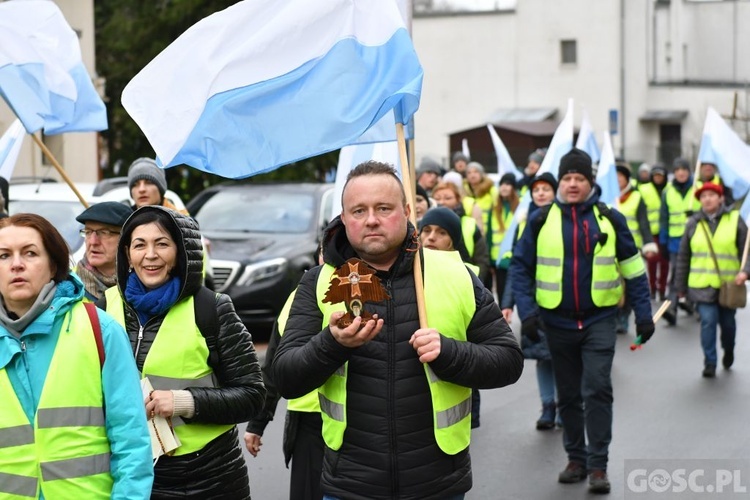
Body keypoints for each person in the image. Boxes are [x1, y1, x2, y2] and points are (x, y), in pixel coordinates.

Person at [272, 160, 524, 500]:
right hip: (350, 485)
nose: (371, 219)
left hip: (438, 484)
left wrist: (449, 352)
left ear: (407, 211)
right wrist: (332, 344)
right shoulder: (318, 283)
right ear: (344, 219)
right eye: (358, 210)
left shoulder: (455, 274)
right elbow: (286, 378)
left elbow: (508, 361)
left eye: (384, 208)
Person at [511, 148, 654, 494]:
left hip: (599, 320)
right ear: (560, 182)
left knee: (597, 388)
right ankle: (575, 459)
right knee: (569, 395)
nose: (572, 184)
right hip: (555, 322)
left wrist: (644, 315)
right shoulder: (540, 220)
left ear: (590, 182)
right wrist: (527, 313)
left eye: (579, 178)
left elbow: (634, 269)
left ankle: (598, 465)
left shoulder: (610, 219)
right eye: (567, 178)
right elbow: (519, 267)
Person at [99, 206, 266, 499]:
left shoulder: (211, 308)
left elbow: (252, 395)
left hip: (206, 479)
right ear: (127, 255)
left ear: (180, 252)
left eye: (162, 243)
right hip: (129, 475)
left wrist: (184, 402)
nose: (150, 254)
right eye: (140, 244)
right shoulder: (103, 308)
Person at [0, 213, 153, 498]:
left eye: (30, 253)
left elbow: (131, 444)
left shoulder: (101, 330)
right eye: (3, 255)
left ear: (53, 265)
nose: (16, 264)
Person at [245, 247, 326, 500]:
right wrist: (257, 423)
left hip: (360, 427)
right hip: (308, 424)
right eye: (325, 250)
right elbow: (274, 365)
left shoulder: (365, 290)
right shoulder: (300, 295)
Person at [501, 172, 560, 430]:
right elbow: (518, 267)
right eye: (537, 189)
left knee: (564, 357)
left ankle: (567, 404)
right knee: (543, 356)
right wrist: (508, 303)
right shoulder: (525, 224)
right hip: (533, 303)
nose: (541, 193)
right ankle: (548, 406)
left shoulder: (564, 220)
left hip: (562, 301)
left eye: (547, 188)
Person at [673, 182, 750, 378]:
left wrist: (746, 272)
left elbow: (746, 251)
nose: (707, 199)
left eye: (711, 195)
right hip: (701, 284)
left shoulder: (735, 220)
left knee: (728, 324)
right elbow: (683, 257)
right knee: (707, 321)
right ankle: (710, 362)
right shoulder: (692, 223)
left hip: (728, 286)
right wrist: (679, 287)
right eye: (703, 196)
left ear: (721, 198)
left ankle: (729, 349)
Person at [418, 207, 485, 429]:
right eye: (426, 230)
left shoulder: (468, 276)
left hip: (455, 373)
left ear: (452, 241)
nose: (431, 237)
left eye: (441, 232)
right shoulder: (411, 273)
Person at [615, 162, 657, 334]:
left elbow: (643, 222)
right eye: (614, 177)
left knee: (631, 285)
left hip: (632, 249)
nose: (617, 180)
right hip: (609, 249)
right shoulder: (606, 197)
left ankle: (624, 315)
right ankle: (614, 314)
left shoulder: (637, 197)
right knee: (614, 284)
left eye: (620, 177)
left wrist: (648, 244)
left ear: (626, 179)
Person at [660, 157, 700, 325]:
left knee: (697, 274)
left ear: (689, 171)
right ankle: (671, 308)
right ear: (674, 173)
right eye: (677, 170)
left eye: (684, 169)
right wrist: (663, 241)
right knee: (677, 274)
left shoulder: (697, 188)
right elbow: (664, 218)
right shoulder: (667, 191)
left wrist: (696, 216)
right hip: (676, 241)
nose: (681, 172)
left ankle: (696, 305)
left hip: (697, 239)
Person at [431, 181, 490, 282]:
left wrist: (476, 281)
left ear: (458, 200)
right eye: (437, 198)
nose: (442, 202)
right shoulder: (426, 224)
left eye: (447, 198)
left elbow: (482, 259)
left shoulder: (470, 223)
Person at [75, 202, 133, 301]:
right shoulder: (69, 286)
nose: (93, 242)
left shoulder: (145, 285)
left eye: (104, 233)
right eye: (88, 232)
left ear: (127, 239)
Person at [465, 161, 498, 290]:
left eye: (475, 172)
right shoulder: (465, 193)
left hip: (488, 237)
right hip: (472, 236)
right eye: (469, 172)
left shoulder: (491, 191)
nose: (472, 175)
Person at [639, 163, 669, 300]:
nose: (658, 178)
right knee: (652, 261)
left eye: (660, 175)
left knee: (664, 262)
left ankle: (662, 289)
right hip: (650, 232)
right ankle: (652, 288)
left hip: (665, 231)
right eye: (655, 175)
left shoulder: (669, 189)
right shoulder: (644, 189)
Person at [491, 173, 520, 302]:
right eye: (502, 184)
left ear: (513, 187)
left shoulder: (520, 208)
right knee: (502, 294)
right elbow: (489, 235)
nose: (504, 187)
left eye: (508, 184)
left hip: (516, 259)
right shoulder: (495, 208)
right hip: (499, 260)